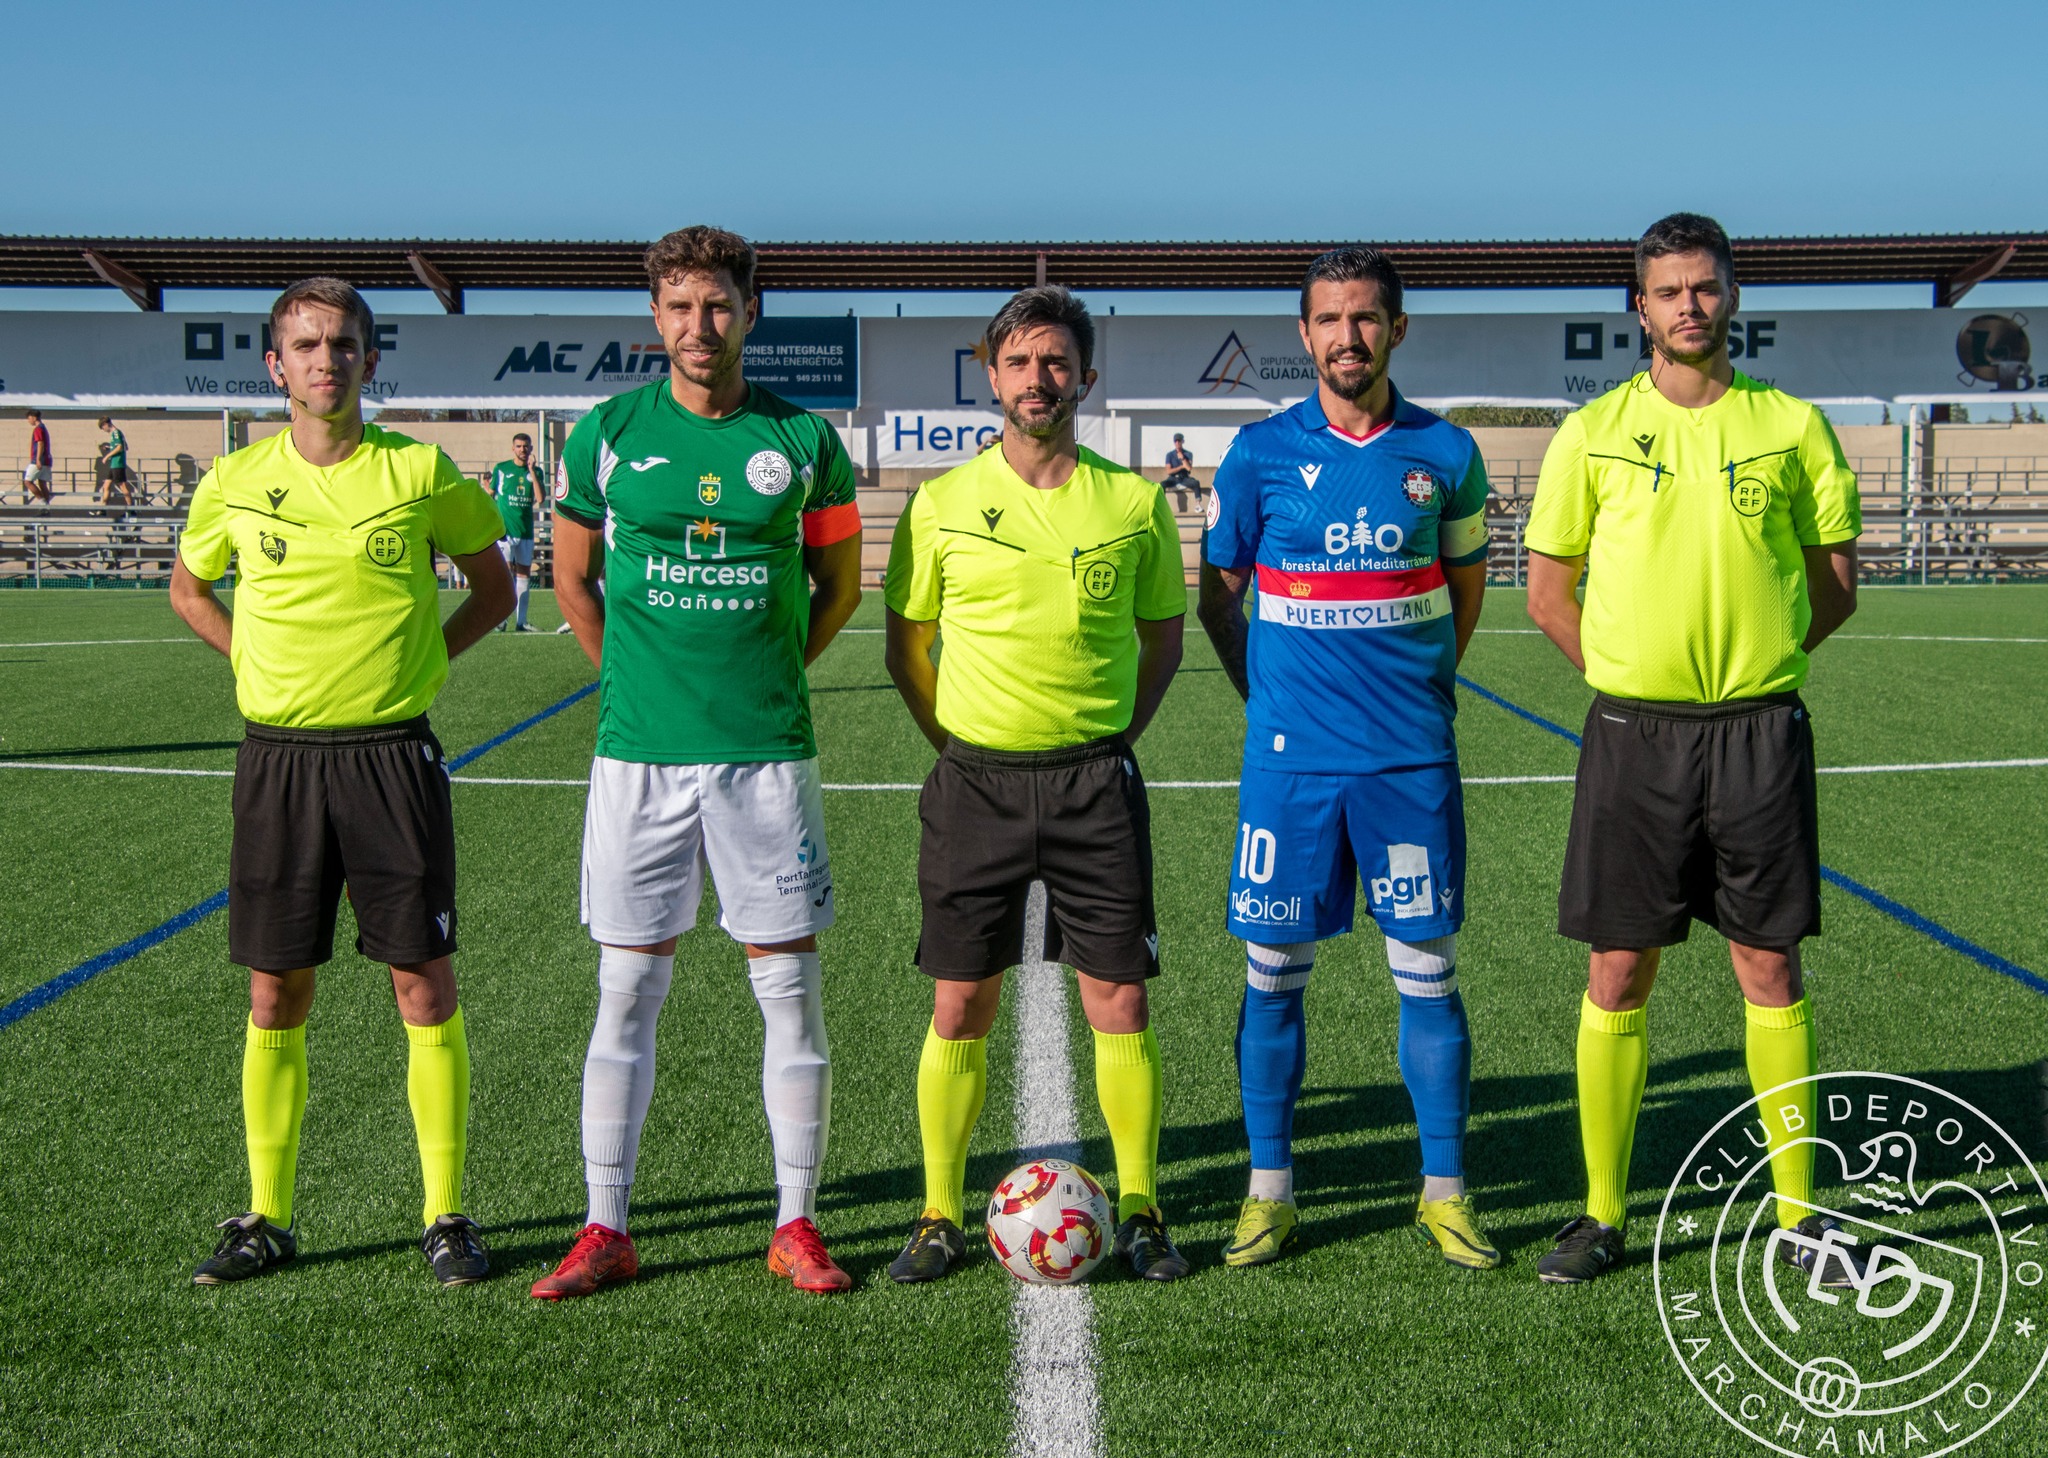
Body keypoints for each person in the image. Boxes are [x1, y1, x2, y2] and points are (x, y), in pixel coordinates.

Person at [1522, 213, 1863, 1285]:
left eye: (1704, 289)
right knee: (1618, 969)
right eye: (1666, 291)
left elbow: (1835, 581)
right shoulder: (1592, 433)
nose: (1687, 307)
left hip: (1757, 732)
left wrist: (1756, 656)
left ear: (1731, 299)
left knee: (1766, 961)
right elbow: (1546, 591)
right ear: (1638, 309)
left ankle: (1800, 1215)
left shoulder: (1792, 426)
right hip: (1634, 736)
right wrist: (1627, 674)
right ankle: (1601, 1213)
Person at [533, 225, 865, 1301]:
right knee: (625, 987)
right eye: (678, 306)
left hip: (764, 758)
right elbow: (574, 581)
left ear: (748, 311)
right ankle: (604, 1226)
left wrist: (768, 675)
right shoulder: (607, 436)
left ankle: (796, 1221)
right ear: (654, 318)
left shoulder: (804, 440)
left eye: (716, 304)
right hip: (638, 759)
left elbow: (840, 589)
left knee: (790, 990)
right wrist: (631, 683)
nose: (697, 325)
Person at [169, 277, 513, 1287]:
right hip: (277, 762)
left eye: (344, 344)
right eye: (307, 345)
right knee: (276, 991)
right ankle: (265, 1216)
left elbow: (492, 587)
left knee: (422, 980)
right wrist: (246, 660)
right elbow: (190, 589)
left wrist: (429, 662)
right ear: (275, 366)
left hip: (391, 757)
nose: (327, 360)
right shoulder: (234, 479)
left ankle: (445, 1214)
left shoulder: (418, 471)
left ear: (370, 359)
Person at [1197, 247, 1500, 1272]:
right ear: (1302, 335)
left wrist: (1414, 691)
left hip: (1406, 761)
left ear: (1396, 329)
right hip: (1289, 768)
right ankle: (1268, 1192)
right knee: (1272, 975)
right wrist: (1270, 701)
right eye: (1327, 320)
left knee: (1425, 971)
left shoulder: (1445, 452)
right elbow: (1218, 592)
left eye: (1365, 318)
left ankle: (1445, 1191)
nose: (1345, 338)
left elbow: (1464, 588)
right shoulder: (1255, 455)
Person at [883, 285, 1190, 1283]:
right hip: (972, 783)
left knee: (1119, 1000)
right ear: (989, 374)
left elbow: (1161, 638)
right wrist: (957, 741)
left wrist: (1108, 739)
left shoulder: (1132, 503)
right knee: (959, 1002)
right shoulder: (939, 503)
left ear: (1085, 379)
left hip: (1093, 785)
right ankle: (936, 1211)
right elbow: (906, 645)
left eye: (1055, 362)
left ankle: (1139, 1204)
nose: (1036, 378)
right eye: (1017, 362)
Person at [489, 431, 545, 631]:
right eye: (519, 446)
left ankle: (521, 622)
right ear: (513, 448)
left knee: (523, 576)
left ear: (530, 448)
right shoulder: (502, 469)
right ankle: (501, 620)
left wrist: (532, 470)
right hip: (506, 532)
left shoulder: (536, 472)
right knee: (505, 575)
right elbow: (490, 496)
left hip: (526, 531)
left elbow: (540, 499)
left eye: (526, 446)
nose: (523, 449)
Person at [22, 410, 52, 504]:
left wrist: (38, 459)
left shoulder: (38, 429)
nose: (28, 421)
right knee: (42, 483)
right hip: (47, 460)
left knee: (27, 482)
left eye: (29, 418)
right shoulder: (44, 428)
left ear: (34, 418)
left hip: (38, 460)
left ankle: (43, 502)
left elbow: (40, 443)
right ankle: (46, 508)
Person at [1162, 432, 1199, 508]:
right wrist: (1182, 467)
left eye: (1179, 441)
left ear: (1183, 441)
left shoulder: (1188, 454)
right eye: (1176, 441)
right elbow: (1169, 471)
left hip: (1184, 478)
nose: (1177, 443)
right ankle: (1162, 505)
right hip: (1173, 478)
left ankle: (1198, 504)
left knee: (1196, 483)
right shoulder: (1170, 455)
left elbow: (1189, 468)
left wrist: (1183, 458)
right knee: (1161, 485)